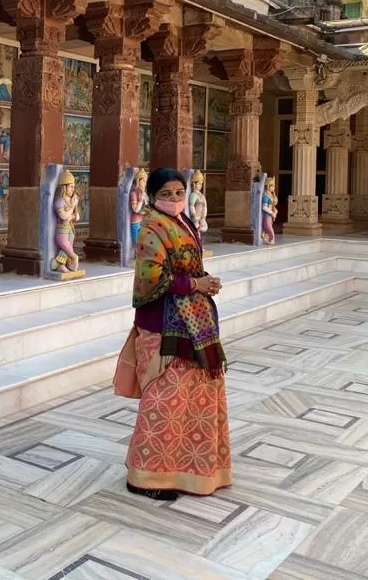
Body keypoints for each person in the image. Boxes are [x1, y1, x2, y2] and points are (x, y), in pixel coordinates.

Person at [114, 167, 231, 500]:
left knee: (193, 399)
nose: (176, 199)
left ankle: (189, 471)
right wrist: (197, 284)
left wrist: (204, 281)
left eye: (180, 193)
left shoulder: (185, 223)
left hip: (194, 322)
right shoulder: (151, 227)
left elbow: (187, 267)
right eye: (167, 194)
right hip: (161, 325)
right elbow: (152, 280)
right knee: (163, 401)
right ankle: (143, 478)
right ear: (153, 197)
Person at [261, 176, 278, 245]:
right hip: (266, 215)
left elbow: (272, 206)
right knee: (268, 227)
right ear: (268, 186)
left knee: (268, 227)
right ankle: (272, 238)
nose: (274, 187)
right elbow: (264, 207)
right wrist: (272, 213)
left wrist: (275, 211)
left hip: (270, 215)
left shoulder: (270, 195)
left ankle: (267, 238)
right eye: (272, 186)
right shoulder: (265, 196)